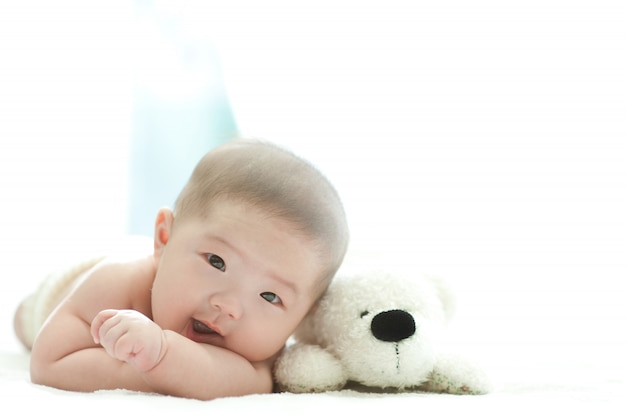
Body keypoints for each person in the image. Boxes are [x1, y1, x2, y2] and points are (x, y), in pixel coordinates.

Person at [13, 139, 349, 400]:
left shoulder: (261, 353)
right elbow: (50, 363)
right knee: (23, 320)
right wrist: (164, 371)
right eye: (216, 262)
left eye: (270, 296)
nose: (229, 305)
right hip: (63, 289)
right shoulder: (118, 283)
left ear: (302, 318)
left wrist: (159, 356)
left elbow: (238, 381)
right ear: (164, 237)